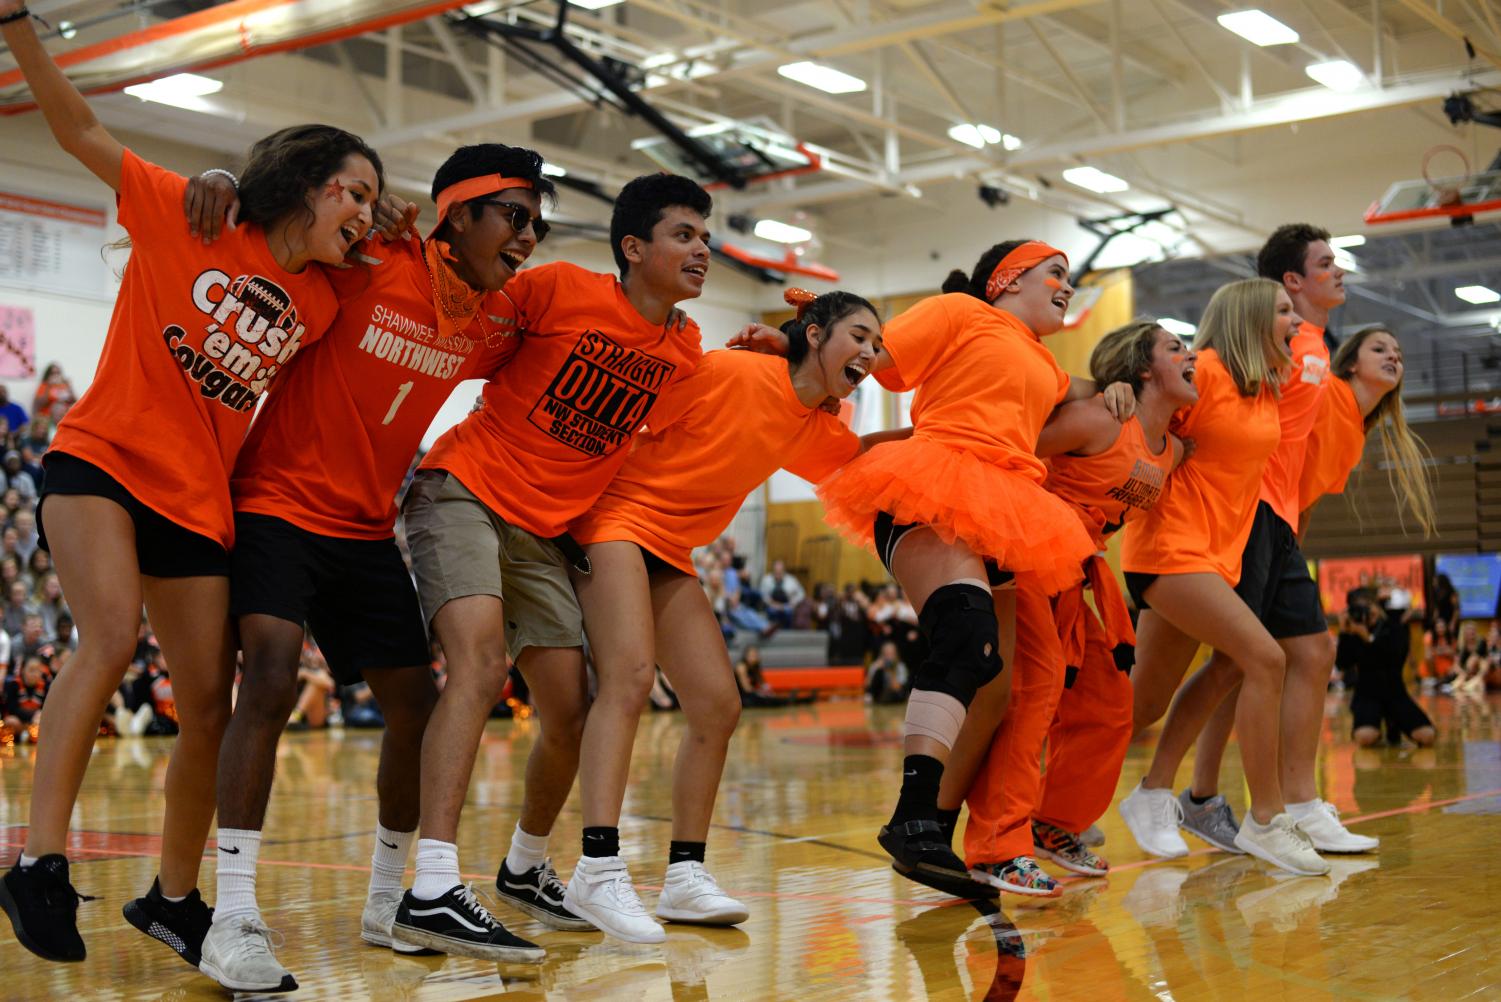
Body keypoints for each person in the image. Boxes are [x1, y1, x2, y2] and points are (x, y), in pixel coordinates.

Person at [0, 2, 378, 967]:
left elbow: (417, 285)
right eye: (357, 193)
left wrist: (402, 230)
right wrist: (17, 27)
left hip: (197, 499)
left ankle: (173, 898)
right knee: (111, 634)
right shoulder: (183, 209)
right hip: (101, 462)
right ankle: (40, 864)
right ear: (308, 183)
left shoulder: (328, 302)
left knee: (211, 701)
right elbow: (78, 130)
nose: (367, 214)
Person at [185, 143, 554, 990]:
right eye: (516, 216)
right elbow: (283, 225)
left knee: (416, 706)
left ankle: (391, 901)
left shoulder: (493, 320)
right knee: (271, 678)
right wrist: (225, 184)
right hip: (274, 501)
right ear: (457, 213)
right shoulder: (367, 259)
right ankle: (233, 914)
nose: (530, 236)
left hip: (363, 526)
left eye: (539, 222)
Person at [393, 173, 709, 958]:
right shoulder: (556, 288)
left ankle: (525, 867)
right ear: (633, 248)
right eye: (683, 235)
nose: (701, 249)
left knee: (568, 711)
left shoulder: (683, 348)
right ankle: (430, 884)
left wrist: (770, 351)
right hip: (461, 489)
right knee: (479, 664)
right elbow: (465, 315)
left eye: (705, 236)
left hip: (544, 534)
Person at [768, 240, 1125, 898]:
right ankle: (913, 822)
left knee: (1013, 683)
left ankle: (949, 826)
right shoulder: (961, 311)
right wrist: (792, 343)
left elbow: (1070, 386)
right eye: (1056, 273)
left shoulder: (1044, 366)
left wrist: (1111, 382)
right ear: (1008, 278)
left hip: (1009, 511)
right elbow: (879, 358)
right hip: (935, 487)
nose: (1066, 287)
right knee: (966, 639)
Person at [563, 288, 900, 941]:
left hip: (669, 548)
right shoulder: (734, 370)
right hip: (611, 519)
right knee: (629, 679)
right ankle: (597, 869)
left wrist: (940, 433)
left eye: (876, 342)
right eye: (857, 334)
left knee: (717, 705)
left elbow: (857, 456)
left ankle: (685, 876)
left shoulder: (816, 424)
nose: (869, 350)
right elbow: (632, 404)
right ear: (812, 333)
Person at [961, 320, 1194, 894]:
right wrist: (1092, 389)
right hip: (1025, 556)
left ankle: (1053, 823)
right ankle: (996, 846)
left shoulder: (1175, 447)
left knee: (1112, 700)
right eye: (1175, 347)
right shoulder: (1100, 419)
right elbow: (1012, 446)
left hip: (1078, 570)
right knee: (1032, 697)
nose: (1190, 355)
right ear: (1141, 369)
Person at [1117, 277, 1333, 876]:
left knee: (1141, 704)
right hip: (1169, 549)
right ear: (1251, 316)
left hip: (1216, 556)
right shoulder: (1204, 373)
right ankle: (1268, 818)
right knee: (1265, 659)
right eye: (1286, 311)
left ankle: (1148, 794)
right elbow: (1142, 404)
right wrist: (1113, 395)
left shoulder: (1264, 385)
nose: (1297, 321)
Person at [1342, 587, 1435, 747]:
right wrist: (1345, 633)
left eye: (1368, 606)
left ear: (1377, 605)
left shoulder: (1393, 626)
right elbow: (1342, 663)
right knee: (1365, 737)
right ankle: (1371, 725)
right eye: (1360, 608)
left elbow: (1395, 658)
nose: (1366, 612)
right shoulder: (1352, 631)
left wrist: (1368, 639)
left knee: (1426, 736)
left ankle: (1394, 721)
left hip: (1395, 692)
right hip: (1367, 694)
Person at [760, 560, 807, 628]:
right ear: (773, 570)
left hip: (787, 605)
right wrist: (771, 603)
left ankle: (787, 633)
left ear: (783, 570)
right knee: (771, 612)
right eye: (776, 570)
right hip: (772, 605)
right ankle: (771, 631)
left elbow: (801, 593)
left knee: (788, 613)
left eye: (780, 570)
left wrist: (793, 603)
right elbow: (763, 595)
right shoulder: (766, 580)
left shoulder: (792, 580)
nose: (778, 572)